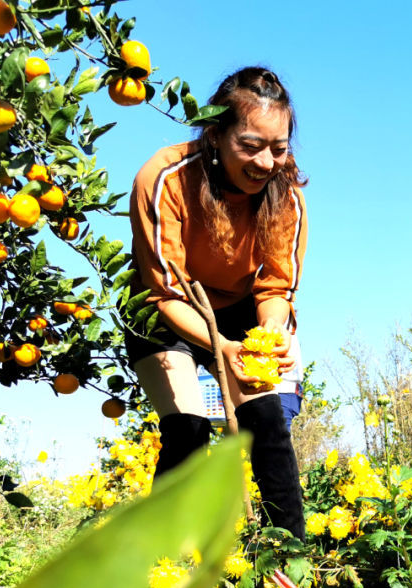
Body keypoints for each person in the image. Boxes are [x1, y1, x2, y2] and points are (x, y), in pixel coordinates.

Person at [126, 66, 307, 539]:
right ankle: (158, 566)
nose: (265, 162)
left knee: (266, 422)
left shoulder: (285, 193)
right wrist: (219, 346)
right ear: (215, 133)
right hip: (168, 308)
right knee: (188, 430)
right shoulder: (163, 178)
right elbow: (165, 291)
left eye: (278, 148)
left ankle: (288, 562)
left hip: (244, 308)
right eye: (249, 145)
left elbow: (276, 288)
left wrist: (269, 331)